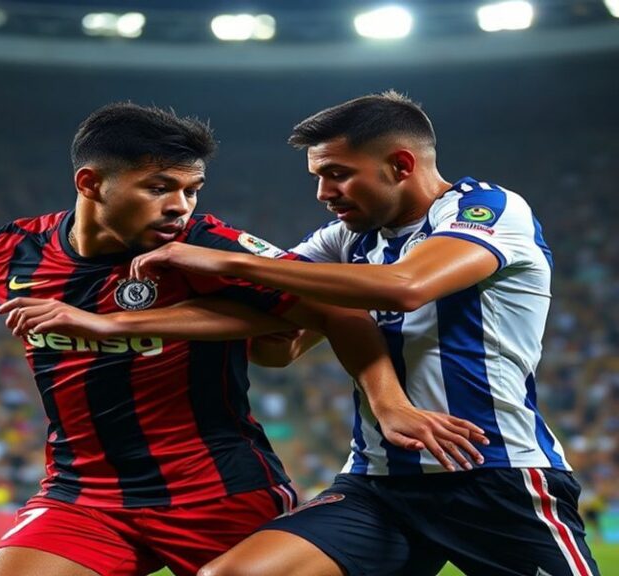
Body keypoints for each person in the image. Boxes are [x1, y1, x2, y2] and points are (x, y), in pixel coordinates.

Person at [0, 102, 485, 576]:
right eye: (158, 187)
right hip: (83, 495)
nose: (180, 206)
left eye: (191, 188)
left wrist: (389, 403)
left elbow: (340, 309)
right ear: (91, 183)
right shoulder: (10, 250)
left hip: (220, 492)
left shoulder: (209, 247)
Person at [129, 91, 601, 576]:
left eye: (337, 173)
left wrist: (227, 261)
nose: (323, 193)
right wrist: (119, 322)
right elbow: (279, 346)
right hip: (377, 482)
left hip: (493, 473)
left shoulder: (489, 208)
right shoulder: (346, 240)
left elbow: (406, 286)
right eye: (318, 177)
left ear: (400, 164)